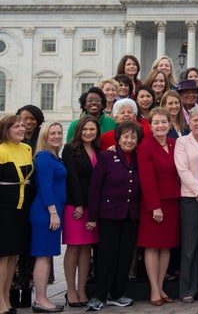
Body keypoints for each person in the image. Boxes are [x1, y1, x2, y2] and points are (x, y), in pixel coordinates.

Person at [85, 122, 144, 311]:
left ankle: (117, 293)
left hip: (131, 214)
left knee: (125, 255)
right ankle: (99, 295)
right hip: (109, 214)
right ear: (118, 139)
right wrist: (92, 216)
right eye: (126, 136)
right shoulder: (107, 156)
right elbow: (95, 188)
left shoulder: (139, 157)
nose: (129, 140)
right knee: (106, 256)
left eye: (133, 137)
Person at [137, 108, 180, 306]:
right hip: (154, 203)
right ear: (150, 126)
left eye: (164, 122)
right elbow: (146, 179)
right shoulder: (145, 146)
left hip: (173, 201)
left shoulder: (174, 144)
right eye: (156, 122)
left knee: (166, 246)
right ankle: (154, 289)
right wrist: (155, 206)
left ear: (169, 124)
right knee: (152, 245)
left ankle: (161, 286)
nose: (160, 126)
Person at [174, 106, 198, 303]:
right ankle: (188, 289)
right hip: (191, 197)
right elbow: (182, 169)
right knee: (190, 244)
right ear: (189, 122)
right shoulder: (182, 142)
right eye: (195, 120)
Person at [61, 117, 101, 307]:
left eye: (92, 129)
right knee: (74, 247)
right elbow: (72, 178)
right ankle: (70, 290)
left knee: (87, 248)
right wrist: (78, 204)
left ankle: (82, 289)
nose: (88, 132)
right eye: (85, 129)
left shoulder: (98, 150)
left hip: (92, 206)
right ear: (79, 130)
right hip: (75, 206)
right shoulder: (70, 149)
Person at [28, 122, 66, 313]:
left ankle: (42, 298)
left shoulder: (54, 157)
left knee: (47, 255)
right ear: (45, 136)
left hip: (53, 211)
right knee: (43, 256)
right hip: (46, 212)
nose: (57, 136)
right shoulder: (44, 157)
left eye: (59, 133)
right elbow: (45, 186)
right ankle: (41, 300)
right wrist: (53, 212)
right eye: (52, 133)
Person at [0, 115, 34, 314]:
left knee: (13, 255)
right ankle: (0, 302)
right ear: (6, 130)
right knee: (3, 256)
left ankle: (6, 297)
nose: (21, 129)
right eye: (16, 126)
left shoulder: (27, 149)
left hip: (22, 209)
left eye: (22, 125)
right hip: (4, 209)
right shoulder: (1, 150)